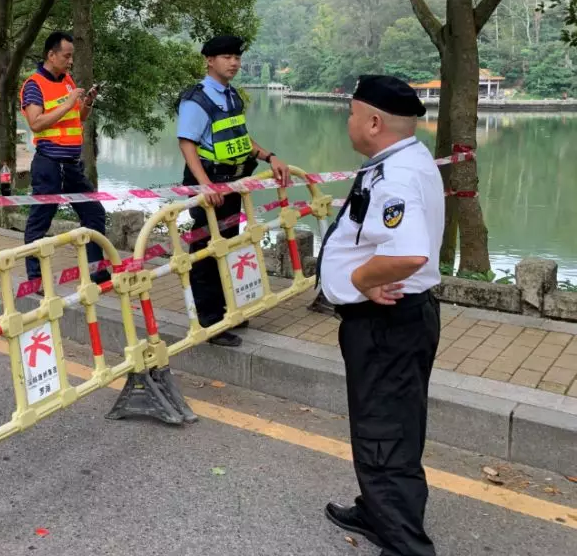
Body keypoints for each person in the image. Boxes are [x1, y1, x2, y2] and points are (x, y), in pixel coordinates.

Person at [317, 75, 443, 556]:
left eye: (351, 113)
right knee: (390, 425)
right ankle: (377, 510)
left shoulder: (397, 176)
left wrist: (358, 278)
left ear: (373, 122)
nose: (347, 122)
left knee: (383, 431)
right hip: (393, 321)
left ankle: (405, 543)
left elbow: (408, 253)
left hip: (386, 322)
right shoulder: (401, 160)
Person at [176, 36, 290, 347]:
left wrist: (269, 156)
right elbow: (187, 143)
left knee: (228, 245)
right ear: (209, 60)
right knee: (206, 251)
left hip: (233, 183)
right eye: (226, 57)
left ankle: (228, 310)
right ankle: (210, 322)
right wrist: (205, 185)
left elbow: (240, 137)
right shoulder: (197, 99)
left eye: (237, 57)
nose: (234, 62)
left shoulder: (232, 96)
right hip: (210, 184)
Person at [20, 31, 109, 285]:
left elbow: (78, 118)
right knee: (40, 221)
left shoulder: (67, 81)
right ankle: (35, 280)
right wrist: (69, 103)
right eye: (66, 56)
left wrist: (86, 103)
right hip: (49, 164)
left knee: (94, 213)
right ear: (51, 55)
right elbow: (36, 123)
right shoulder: (34, 85)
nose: (71, 61)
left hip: (71, 166)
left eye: (72, 57)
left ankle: (96, 271)